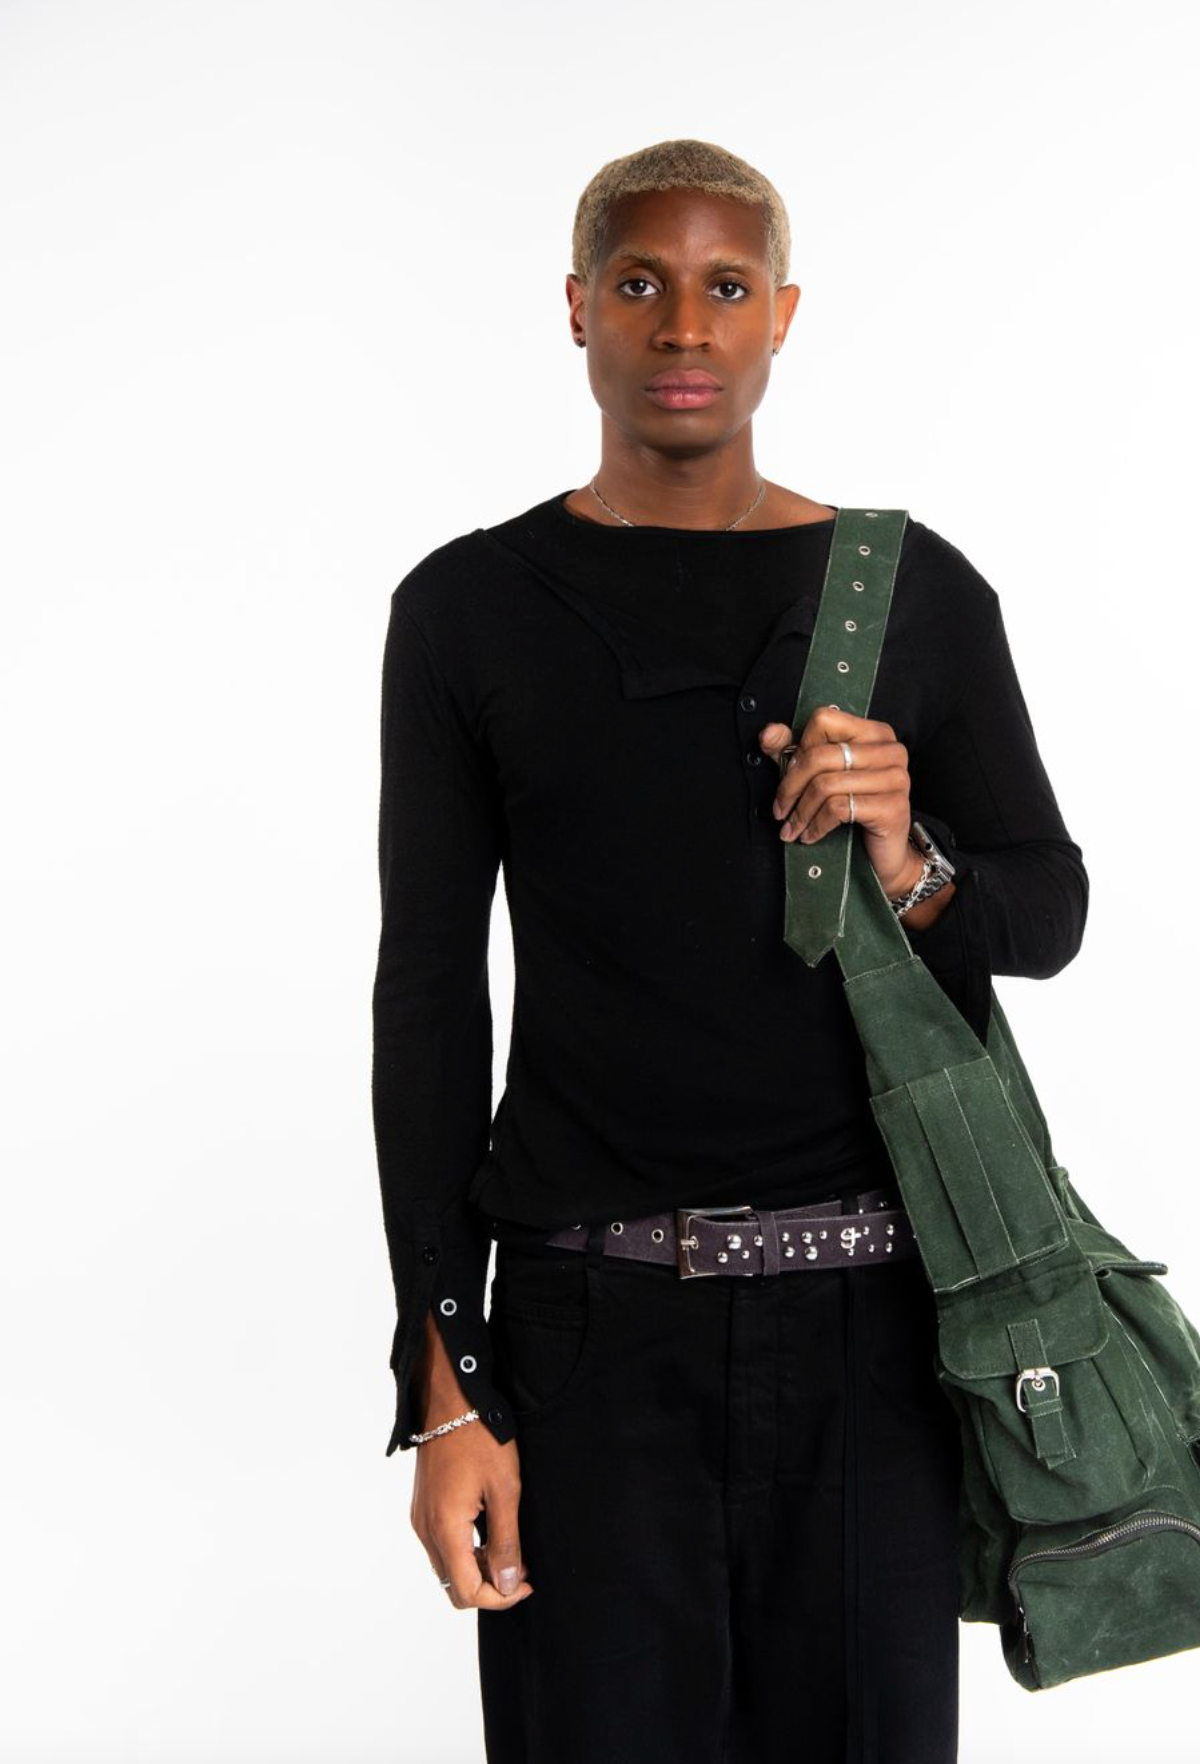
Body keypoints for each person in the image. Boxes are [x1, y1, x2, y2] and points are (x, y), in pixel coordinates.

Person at [371, 138, 1088, 1764]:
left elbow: (1047, 913)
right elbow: (428, 1005)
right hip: (586, 1334)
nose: (683, 326)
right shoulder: (469, 610)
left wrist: (910, 858)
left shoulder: (914, 593)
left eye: (724, 286)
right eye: (640, 283)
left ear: (783, 316)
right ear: (577, 309)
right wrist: (445, 1380)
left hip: (874, 1333)